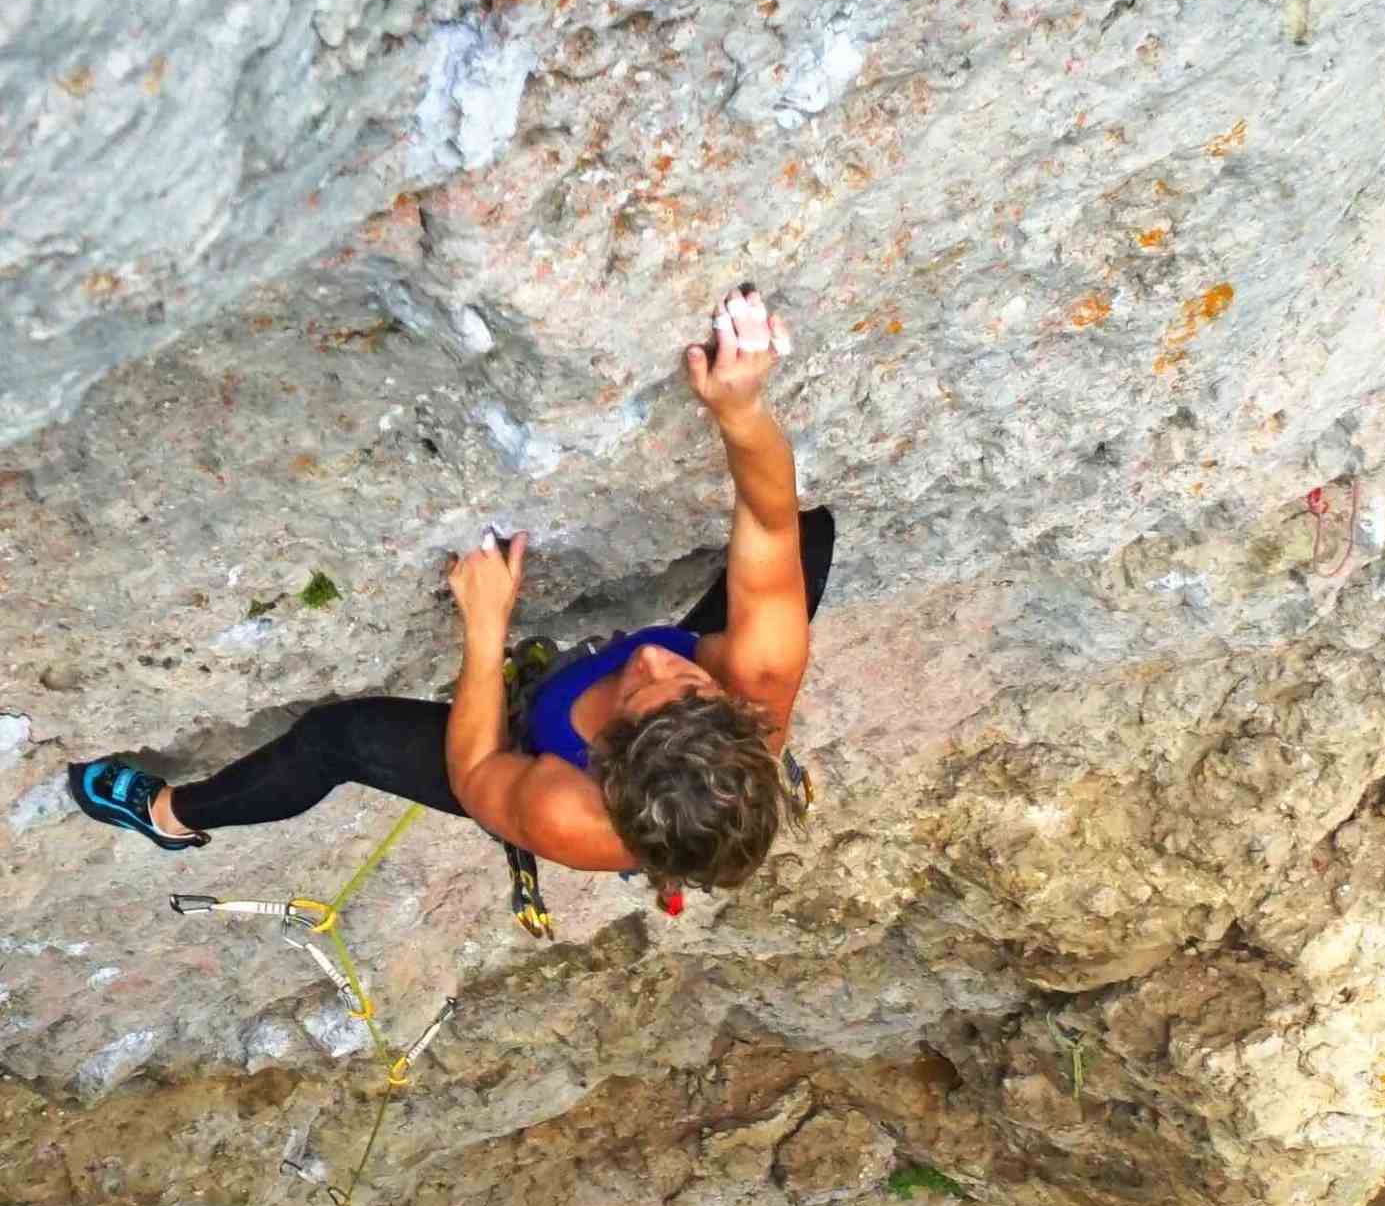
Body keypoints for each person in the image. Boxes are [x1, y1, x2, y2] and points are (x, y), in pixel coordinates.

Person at [68, 286, 827, 908]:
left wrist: (485, 627)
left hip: (524, 745)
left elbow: (473, 769)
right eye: (687, 677)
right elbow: (767, 517)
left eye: (641, 688)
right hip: (694, 731)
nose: (657, 656)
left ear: (607, 759)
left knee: (339, 739)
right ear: (731, 707)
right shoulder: (756, 679)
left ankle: (172, 816)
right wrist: (740, 409)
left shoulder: (568, 812)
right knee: (806, 537)